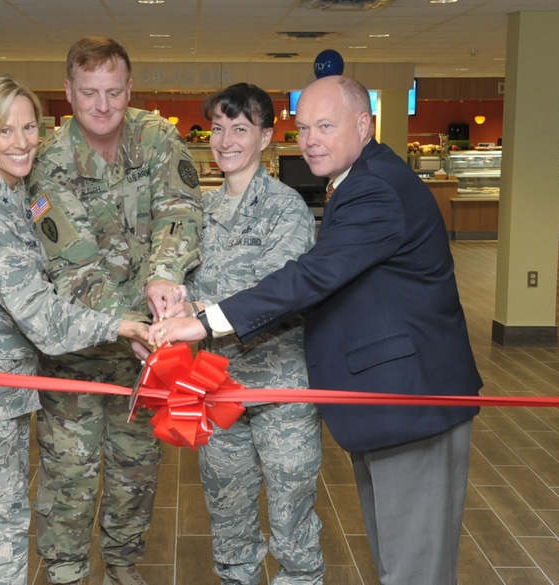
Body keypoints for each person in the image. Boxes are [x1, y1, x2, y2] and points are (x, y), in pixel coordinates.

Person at [150, 75, 484, 585]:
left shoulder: (374, 187)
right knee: (399, 561)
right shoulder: (361, 181)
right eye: (304, 127)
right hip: (379, 402)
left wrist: (204, 322)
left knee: (413, 567)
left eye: (325, 126)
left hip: (411, 403)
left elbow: (309, 279)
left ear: (364, 124)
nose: (310, 140)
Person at [0, 74, 151, 585]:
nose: (22, 143)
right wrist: (122, 323)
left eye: (29, 128)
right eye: (5, 132)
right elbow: (39, 314)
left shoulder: (13, 193)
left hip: (1, 392)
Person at [28, 36, 202, 585]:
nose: (102, 107)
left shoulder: (157, 136)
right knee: (69, 474)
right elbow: (73, 266)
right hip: (79, 355)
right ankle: (65, 572)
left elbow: (181, 206)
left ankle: (123, 565)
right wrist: (128, 325)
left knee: (136, 472)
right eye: (89, 94)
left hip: (146, 355)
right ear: (68, 93)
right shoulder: (48, 163)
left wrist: (165, 276)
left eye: (113, 92)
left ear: (130, 90)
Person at [179, 83, 324, 584]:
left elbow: (278, 292)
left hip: (280, 388)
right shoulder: (199, 212)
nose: (225, 141)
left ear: (266, 138)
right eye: (218, 129)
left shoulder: (287, 209)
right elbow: (177, 281)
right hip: (217, 389)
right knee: (229, 520)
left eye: (240, 129)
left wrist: (198, 308)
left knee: (292, 523)